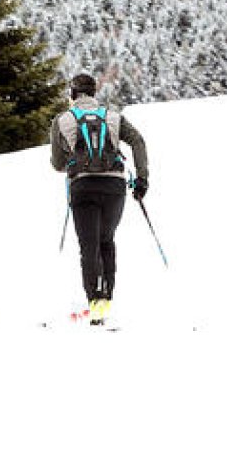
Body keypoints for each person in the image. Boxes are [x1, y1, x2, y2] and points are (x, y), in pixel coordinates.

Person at [49, 73, 148, 326]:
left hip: (82, 186)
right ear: (94, 93)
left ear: (73, 94)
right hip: (114, 186)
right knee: (106, 240)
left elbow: (58, 163)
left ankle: (95, 302)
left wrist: (72, 160)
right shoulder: (113, 117)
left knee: (88, 246)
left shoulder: (63, 120)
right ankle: (107, 298)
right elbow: (137, 141)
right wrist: (142, 179)